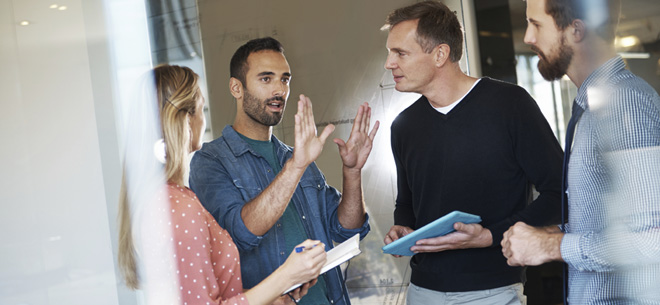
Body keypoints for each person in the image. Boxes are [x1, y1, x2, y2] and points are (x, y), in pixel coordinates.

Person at [380, 1, 563, 304]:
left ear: (440, 54)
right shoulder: (404, 126)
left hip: (493, 291)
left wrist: (490, 236)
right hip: (422, 291)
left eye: (400, 53)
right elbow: (408, 203)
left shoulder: (510, 105)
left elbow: (559, 192)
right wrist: (404, 229)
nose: (389, 63)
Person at [189, 37, 379, 305]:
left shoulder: (295, 156)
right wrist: (296, 167)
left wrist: (352, 171)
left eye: (285, 79)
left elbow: (347, 230)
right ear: (236, 88)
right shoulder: (210, 161)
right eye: (266, 79)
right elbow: (241, 233)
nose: (279, 89)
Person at [117, 64, 327, 305]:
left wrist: (272, 297)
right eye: (201, 108)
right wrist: (286, 275)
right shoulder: (177, 206)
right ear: (186, 118)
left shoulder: (169, 198)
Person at [501, 0, 660, 303]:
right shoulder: (595, 106)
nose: (527, 38)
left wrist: (551, 247)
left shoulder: (625, 105)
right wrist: (544, 236)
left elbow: (654, 240)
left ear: (575, 30)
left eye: (536, 24)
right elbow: (603, 223)